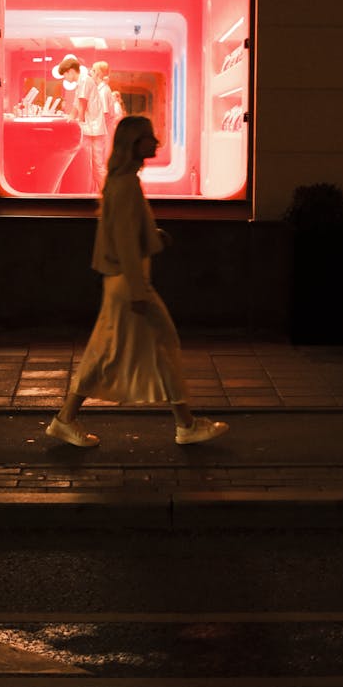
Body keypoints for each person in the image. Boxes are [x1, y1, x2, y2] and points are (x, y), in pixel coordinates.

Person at [46, 115, 229, 448]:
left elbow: (125, 232)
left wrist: (152, 236)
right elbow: (126, 241)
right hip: (128, 282)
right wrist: (137, 289)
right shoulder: (126, 183)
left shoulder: (121, 180)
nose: (156, 142)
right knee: (148, 346)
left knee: (122, 349)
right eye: (148, 137)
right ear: (133, 143)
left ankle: (67, 419)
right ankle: (184, 426)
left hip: (123, 280)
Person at [58, 54, 109, 193]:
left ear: (71, 71)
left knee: (97, 166)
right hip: (92, 129)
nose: (65, 79)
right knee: (92, 167)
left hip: (94, 129)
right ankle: (101, 193)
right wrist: (70, 118)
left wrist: (76, 123)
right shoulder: (82, 82)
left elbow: (82, 105)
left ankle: (109, 195)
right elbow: (76, 105)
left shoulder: (85, 81)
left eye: (65, 75)